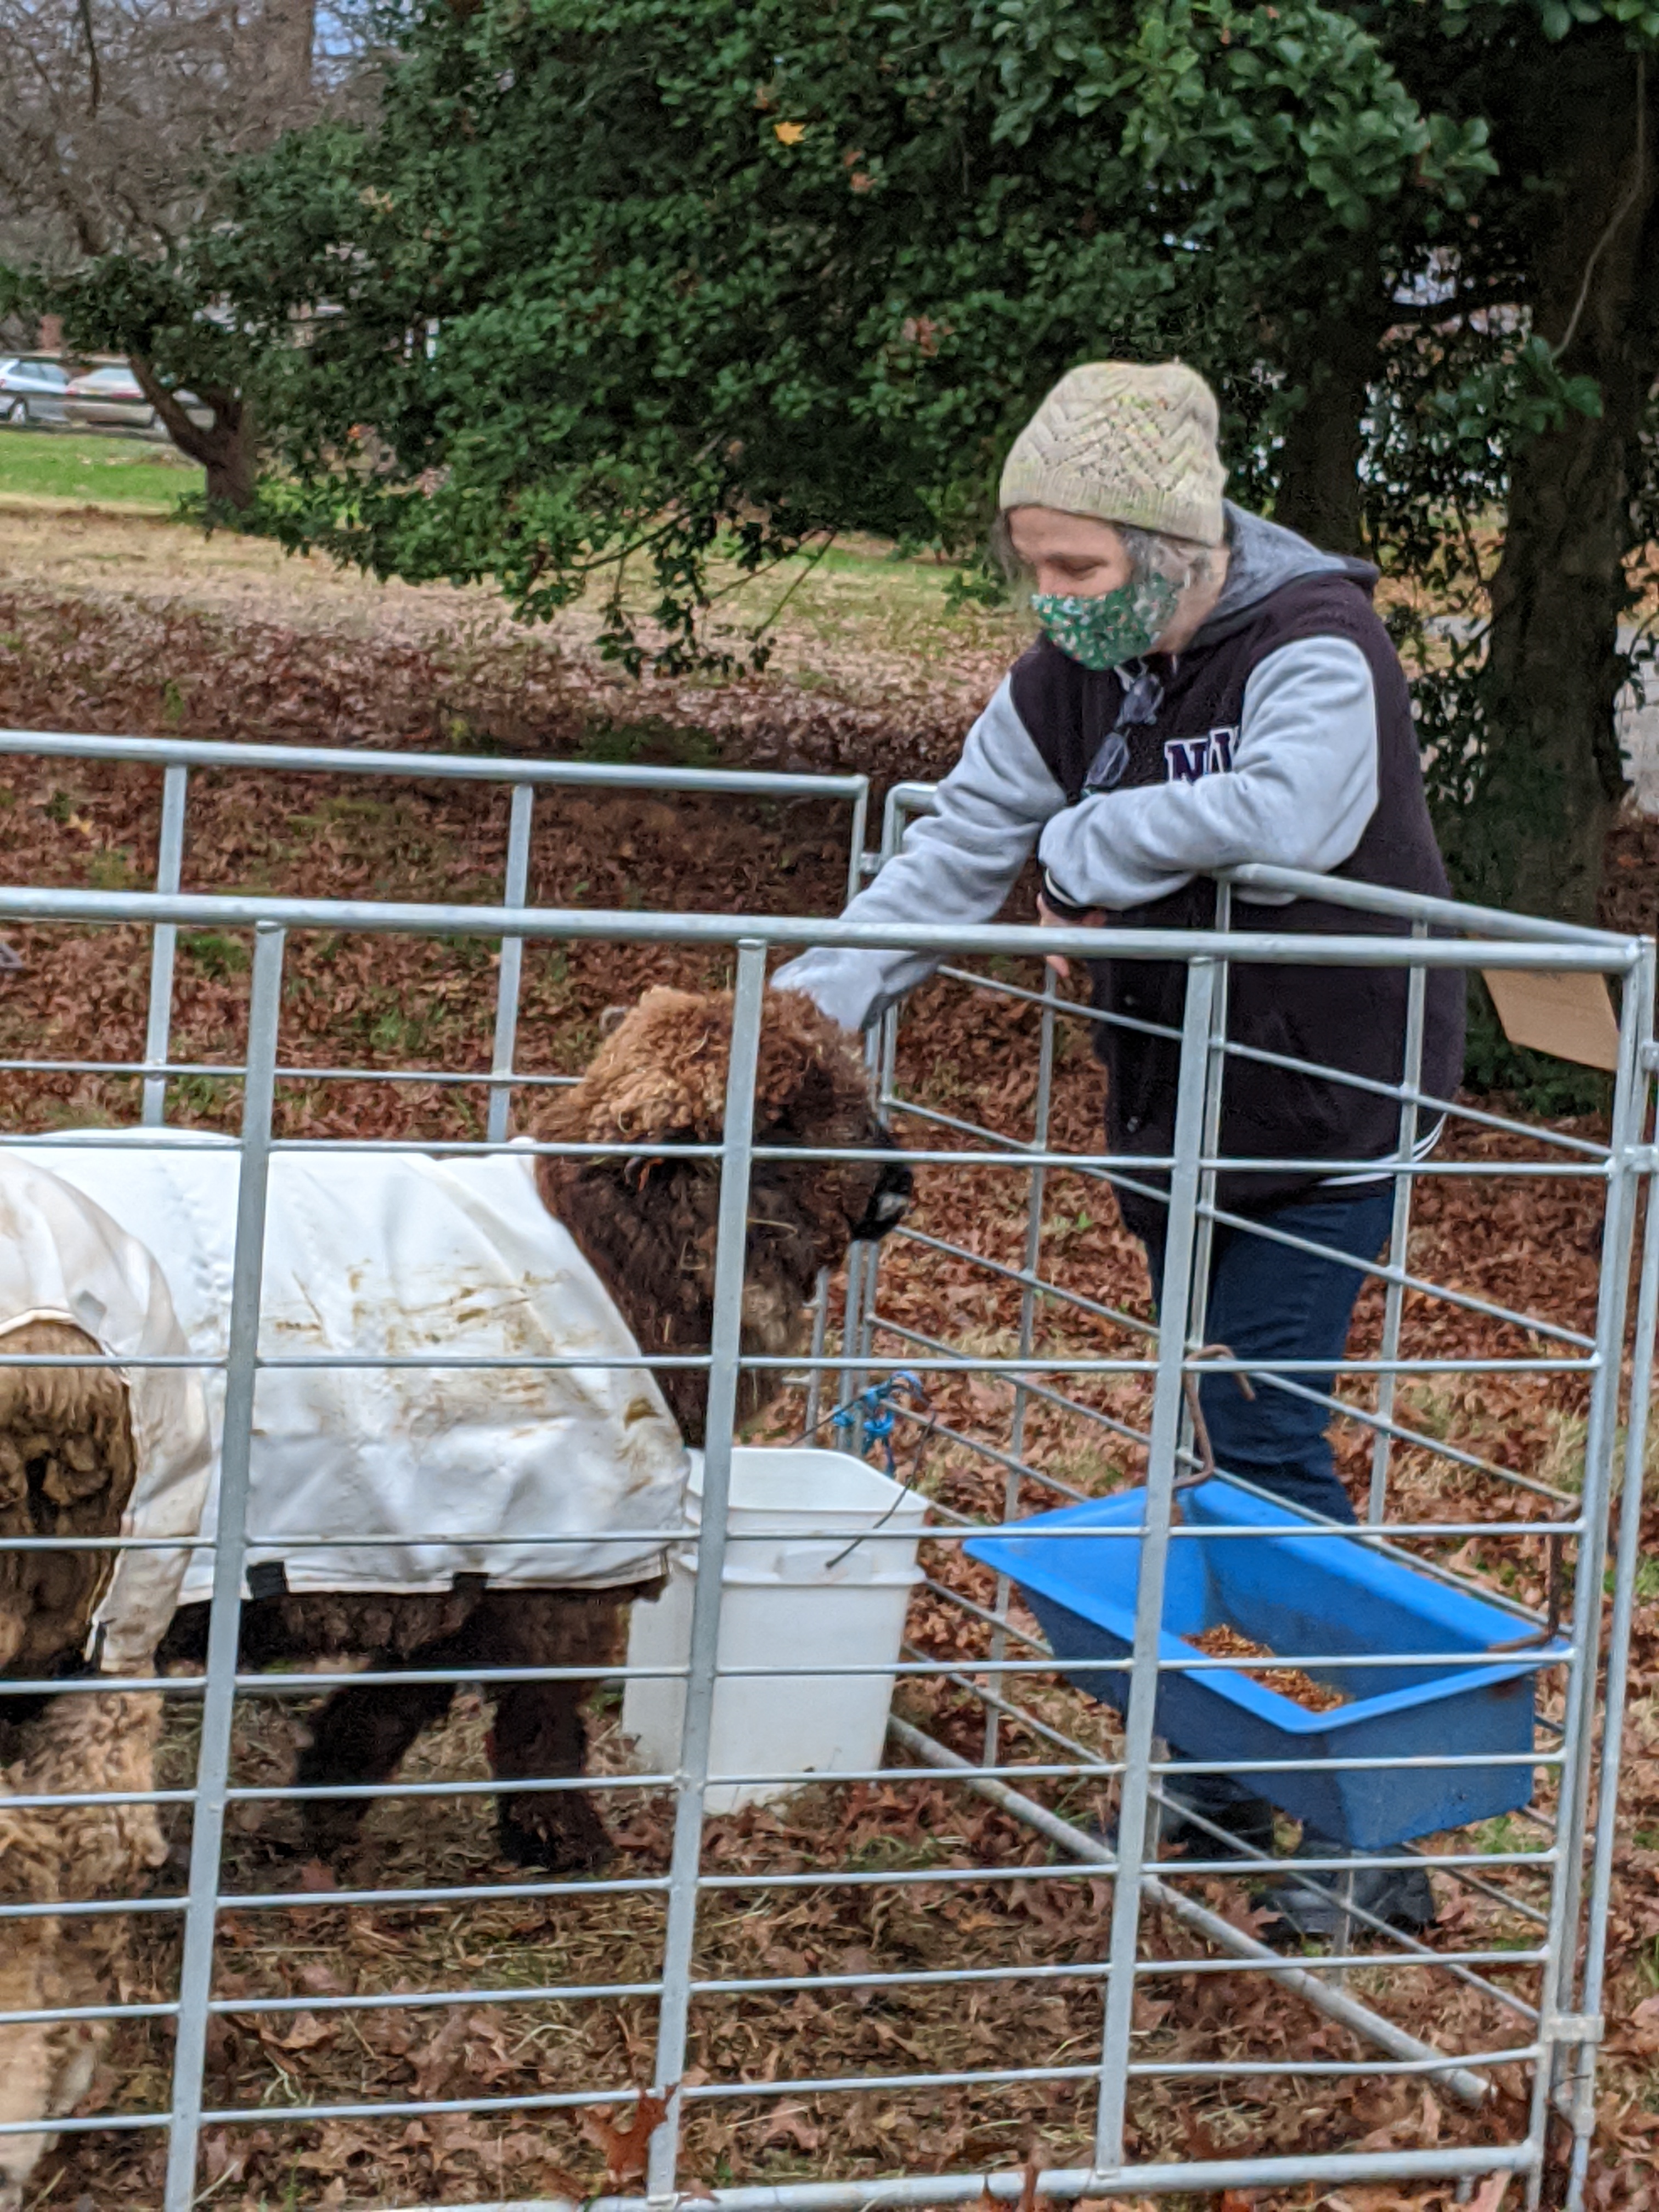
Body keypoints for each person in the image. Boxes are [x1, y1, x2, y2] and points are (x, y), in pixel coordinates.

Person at [774, 360, 1465, 1937]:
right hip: (1174, 1097)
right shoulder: (1069, 672)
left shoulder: (1317, 645)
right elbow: (957, 845)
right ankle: (1226, 1787)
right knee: (1212, 1442)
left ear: (1174, 543)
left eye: (1078, 568)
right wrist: (798, 1026)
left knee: (1268, 1443)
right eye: (1036, 566)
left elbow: (1292, 816)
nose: (1053, 597)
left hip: (1321, 1108)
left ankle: (1381, 1840)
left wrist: (1087, 848)